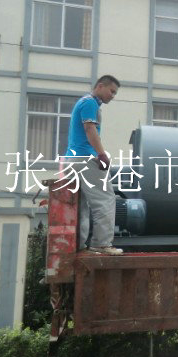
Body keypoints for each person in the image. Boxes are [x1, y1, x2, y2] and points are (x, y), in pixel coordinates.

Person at [65, 75, 123, 255]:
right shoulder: (90, 102)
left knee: (80, 205)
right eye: (111, 91)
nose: (113, 96)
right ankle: (102, 244)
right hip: (85, 158)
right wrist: (101, 154)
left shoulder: (83, 102)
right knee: (105, 200)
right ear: (100, 86)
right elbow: (89, 128)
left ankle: (78, 245)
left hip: (72, 160)